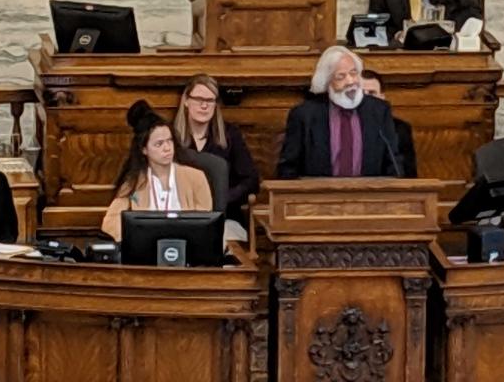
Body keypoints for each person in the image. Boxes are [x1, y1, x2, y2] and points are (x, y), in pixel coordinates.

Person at [277, 45, 401, 178]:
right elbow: (288, 167)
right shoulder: (304, 115)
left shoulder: (378, 110)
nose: (350, 81)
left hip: (370, 195)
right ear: (327, 81)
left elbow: (393, 163)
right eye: (341, 76)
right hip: (320, 195)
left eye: (354, 73)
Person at [101, 100, 212, 241]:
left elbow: (206, 225)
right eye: (159, 144)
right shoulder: (134, 183)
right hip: (146, 252)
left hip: (187, 250)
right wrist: (134, 238)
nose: (167, 148)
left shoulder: (196, 178)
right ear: (144, 149)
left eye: (169, 141)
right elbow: (110, 223)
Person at [173, 74, 260, 226]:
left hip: (225, 217)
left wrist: (223, 198)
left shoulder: (230, 135)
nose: (204, 106)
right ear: (186, 101)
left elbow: (251, 181)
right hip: (182, 216)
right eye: (199, 99)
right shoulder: (171, 136)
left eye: (210, 100)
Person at [359, 69, 418, 178]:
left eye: (372, 93)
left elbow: (409, 175)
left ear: (382, 97)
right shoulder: (343, 126)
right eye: (361, 93)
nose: (366, 99)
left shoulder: (399, 129)